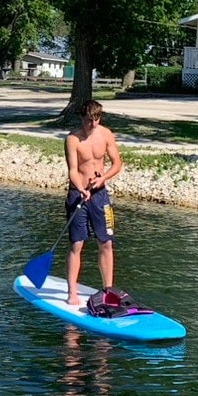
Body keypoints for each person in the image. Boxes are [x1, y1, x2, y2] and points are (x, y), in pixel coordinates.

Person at [64, 99, 124, 306]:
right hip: (77, 194)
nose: (93, 124)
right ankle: (72, 292)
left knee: (106, 243)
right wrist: (80, 189)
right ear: (82, 118)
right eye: (89, 120)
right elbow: (72, 170)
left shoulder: (106, 134)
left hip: (100, 195)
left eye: (97, 119)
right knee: (77, 244)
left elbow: (117, 164)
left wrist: (103, 178)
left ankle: (108, 290)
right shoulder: (73, 139)